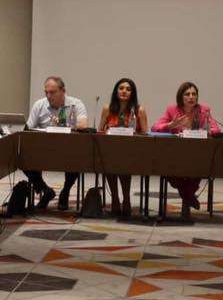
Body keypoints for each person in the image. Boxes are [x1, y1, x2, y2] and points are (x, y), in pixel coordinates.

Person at [154, 80, 222, 214]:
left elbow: (216, 129)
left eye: (194, 94)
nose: (191, 97)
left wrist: (203, 131)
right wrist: (170, 125)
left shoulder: (203, 110)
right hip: (175, 154)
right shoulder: (172, 109)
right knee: (169, 171)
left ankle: (186, 198)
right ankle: (189, 196)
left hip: (197, 154)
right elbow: (155, 128)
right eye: (187, 94)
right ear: (181, 96)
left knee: (198, 167)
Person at [25, 75, 88, 210]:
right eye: (46, 92)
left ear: (63, 91)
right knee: (23, 158)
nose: (48, 96)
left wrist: (63, 124)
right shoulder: (39, 104)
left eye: (52, 92)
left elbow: (83, 125)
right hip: (43, 149)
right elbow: (28, 128)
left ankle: (65, 191)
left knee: (78, 156)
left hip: (69, 150)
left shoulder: (76, 104)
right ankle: (45, 190)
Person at [98, 76, 147, 218]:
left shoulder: (139, 110)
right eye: (121, 88)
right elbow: (100, 131)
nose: (124, 91)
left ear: (133, 93)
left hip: (132, 152)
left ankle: (126, 199)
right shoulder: (107, 109)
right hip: (110, 150)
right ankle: (114, 198)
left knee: (124, 161)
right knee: (109, 161)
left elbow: (145, 134)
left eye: (128, 89)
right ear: (116, 91)